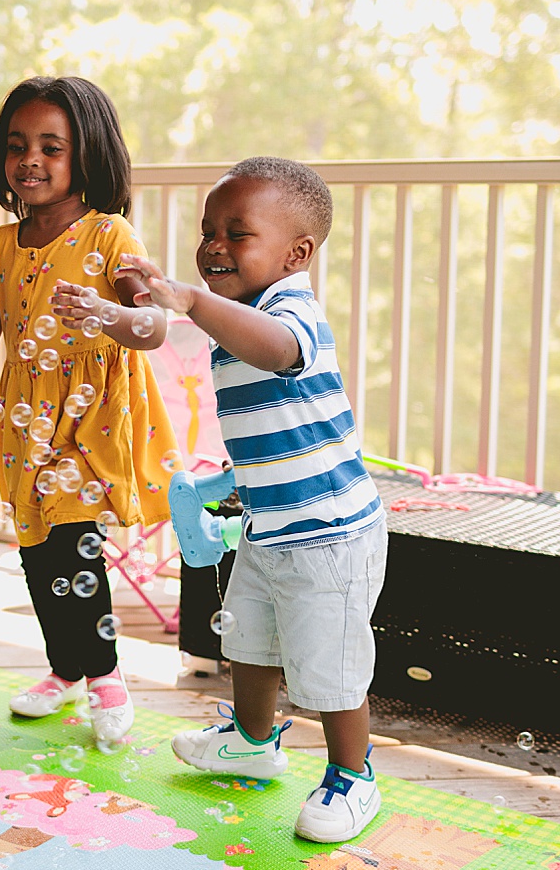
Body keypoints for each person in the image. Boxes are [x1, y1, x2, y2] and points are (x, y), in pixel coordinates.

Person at [117, 156, 387, 843]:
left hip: (328, 536)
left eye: (237, 233)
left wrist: (192, 301)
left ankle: (354, 776)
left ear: (297, 253)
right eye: (208, 230)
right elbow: (273, 421)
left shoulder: (290, 310)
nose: (213, 245)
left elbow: (277, 353)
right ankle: (252, 740)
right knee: (252, 639)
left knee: (330, 665)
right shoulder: (239, 316)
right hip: (270, 524)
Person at [0, 76, 180, 746]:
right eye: (16, 146)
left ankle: (106, 677)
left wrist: (106, 312)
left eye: (51, 146)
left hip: (91, 412)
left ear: (87, 156)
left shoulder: (108, 234)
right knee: (38, 548)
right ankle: (64, 669)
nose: (29, 160)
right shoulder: (1, 246)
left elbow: (151, 325)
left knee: (73, 538)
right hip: (25, 417)